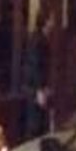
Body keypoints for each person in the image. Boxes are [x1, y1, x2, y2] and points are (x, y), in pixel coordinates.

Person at [22, 11, 54, 142]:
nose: (53, 22)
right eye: (51, 19)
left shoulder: (40, 38)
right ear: (46, 21)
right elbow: (35, 65)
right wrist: (40, 89)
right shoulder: (37, 40)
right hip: (35, 89)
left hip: (38, 88)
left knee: (40, 123)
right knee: (35, 126)